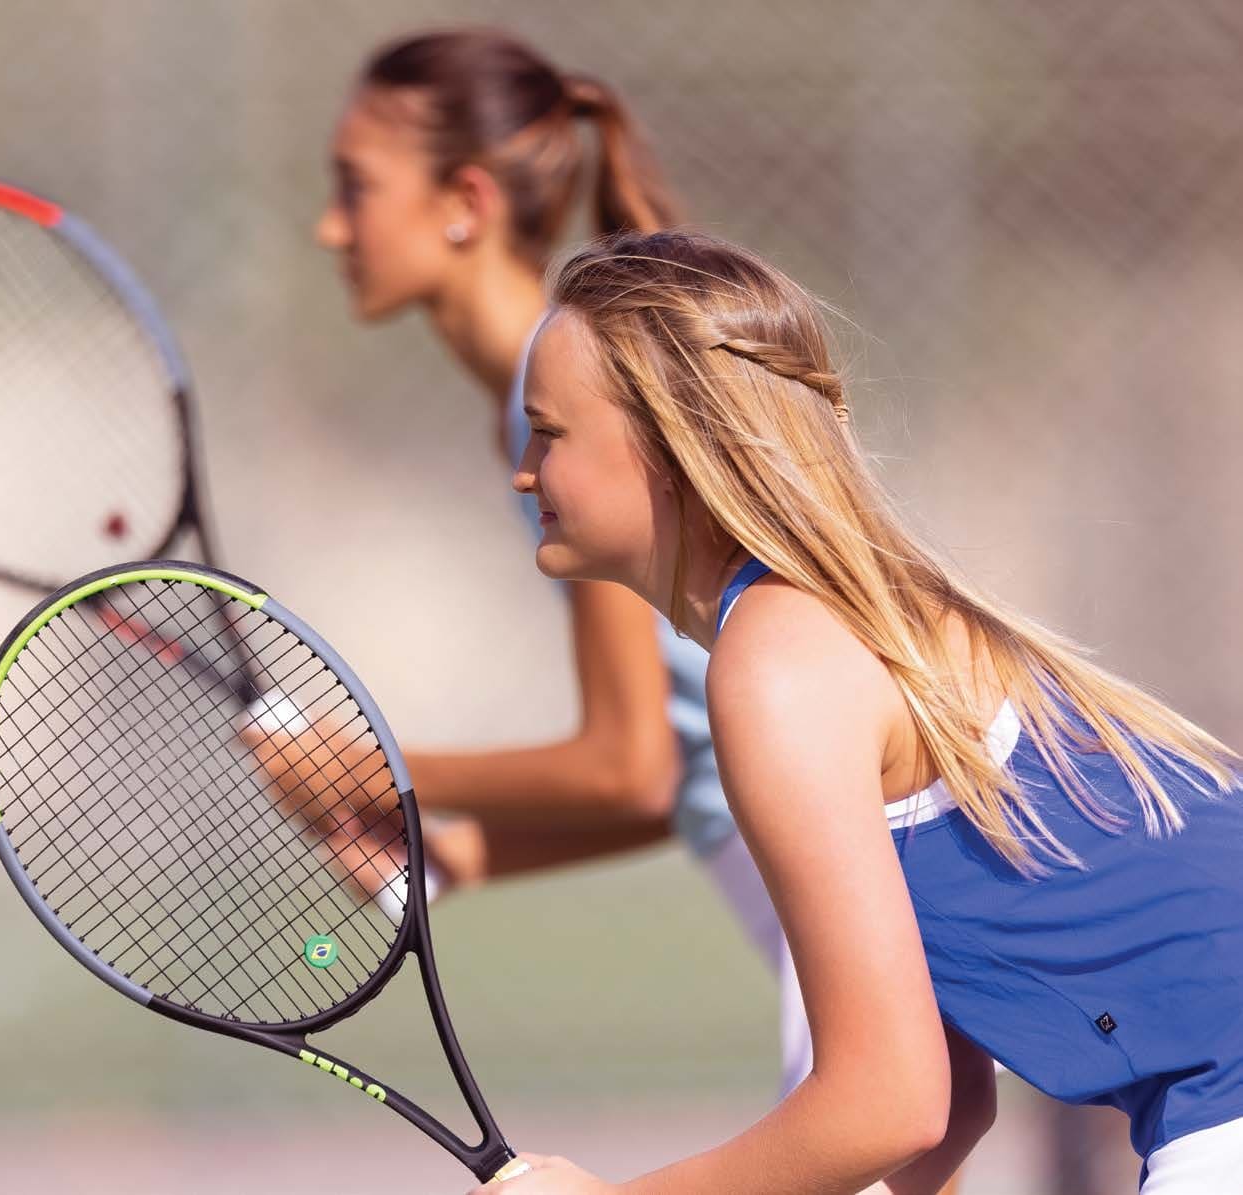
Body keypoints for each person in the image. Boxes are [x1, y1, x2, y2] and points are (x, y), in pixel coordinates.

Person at [465, 227, 1243, 1193]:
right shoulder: (825, 630)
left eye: (549, 430)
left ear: (669, 447)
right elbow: (942, 1110)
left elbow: (888, 1102)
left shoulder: (778, 665)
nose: (523, 468)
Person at [308, 26, 824, 1107]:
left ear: (464, 202)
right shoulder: (551, 403)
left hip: (855, 878)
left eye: (354, 188)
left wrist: (376, 769)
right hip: (826, 881)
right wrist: (454, 852)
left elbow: (625, 762)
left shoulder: (564, 416)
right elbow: (669, 783)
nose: (327, 227)